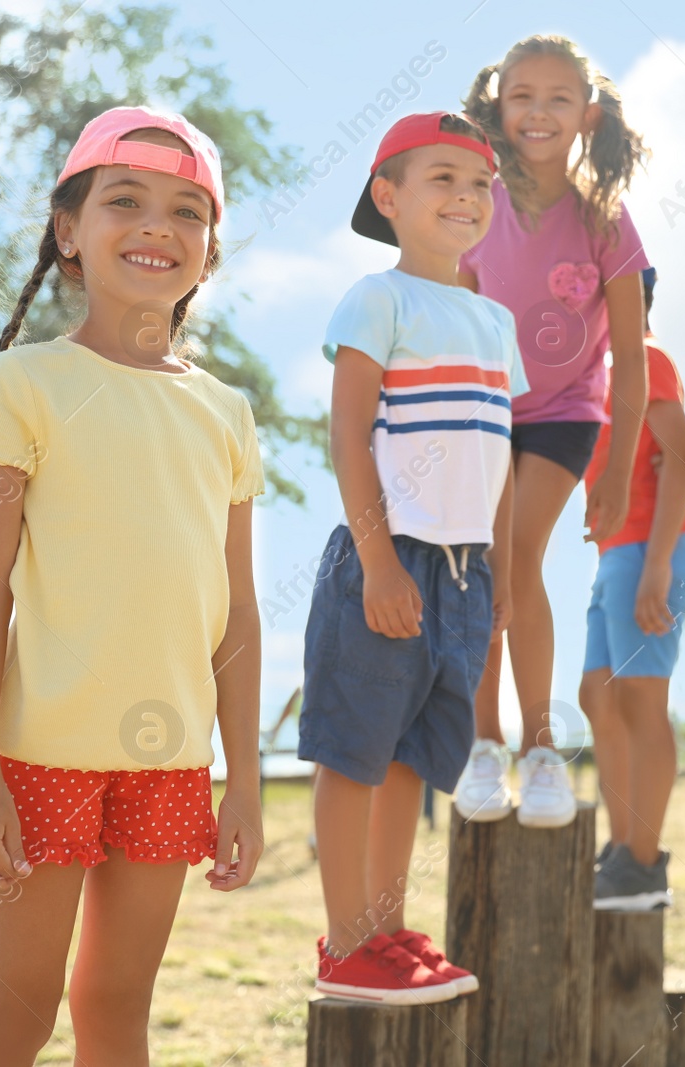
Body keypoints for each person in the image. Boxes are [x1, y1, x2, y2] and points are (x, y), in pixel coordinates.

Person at [0, 106, 266, 1066]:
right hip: (42, 756)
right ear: (69, 232)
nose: (157, 226)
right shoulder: (24, 385)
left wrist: (245, 778)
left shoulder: (227, 413)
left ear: (210, 250)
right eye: (125, 200)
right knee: (19, 1009)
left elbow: (237, 611)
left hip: (171, 761)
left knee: (118, 1005)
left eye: (189, 210)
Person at [297, 111, 528, 1004]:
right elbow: (348, 437)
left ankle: (387, 931)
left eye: (480, 185)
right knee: (354, 753)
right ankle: (344, 939)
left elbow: (498, 458)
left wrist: (504, 568)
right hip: (387, 556)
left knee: (410, 762)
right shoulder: (376, 299)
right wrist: (380, 562)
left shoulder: (495, 322)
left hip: (467, 570)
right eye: (443, 179)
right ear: (388, 197)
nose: (466, 198)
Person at [453, 34, 653, 830]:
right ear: (498, 104)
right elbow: (454, 314)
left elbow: (633, 364)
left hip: (567, 415)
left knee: (516, 556)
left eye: (557, 99)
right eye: (522, 95)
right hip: (483, 409)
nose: (537, 112)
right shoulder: (476, 202)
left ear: (588, 116)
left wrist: (614, 470)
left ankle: (539, 749)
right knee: (476, 567)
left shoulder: (606, 219)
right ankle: (480, 745)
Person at [578, 267, 685, 910]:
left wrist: (656, 567)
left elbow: (681, 457)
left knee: (638, 703)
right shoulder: (603, 375)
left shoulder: (646, 358)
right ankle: (624, 846)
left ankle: (645, 867)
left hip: (654, 552)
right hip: (619, 552)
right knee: (598, 696)